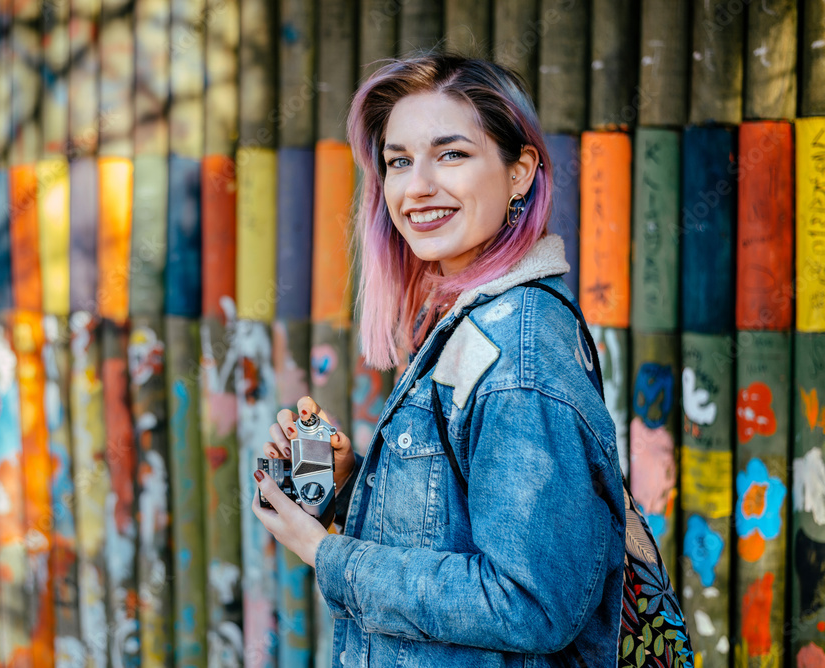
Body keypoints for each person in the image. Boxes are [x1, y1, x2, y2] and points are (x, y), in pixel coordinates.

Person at [251, 54, 625, 667]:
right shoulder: (473, 322)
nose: (416, 187)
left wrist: (328, 555)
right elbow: (467, 527)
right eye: (399, 161)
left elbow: (528, 604)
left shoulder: (517, 348)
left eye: (451, 154)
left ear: (520, 172)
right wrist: (352, 485)